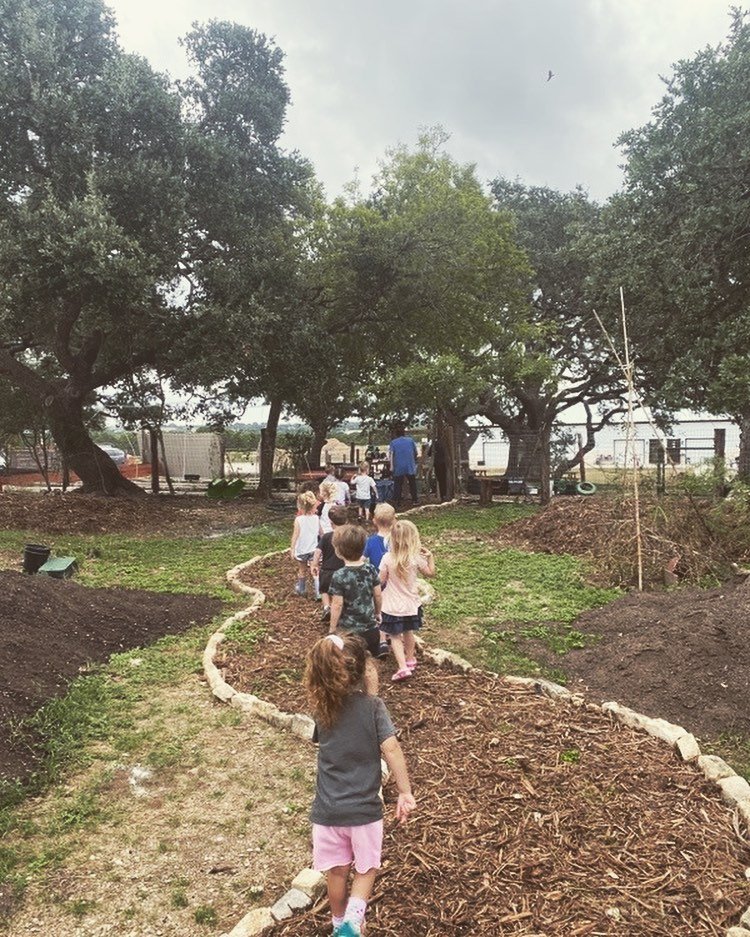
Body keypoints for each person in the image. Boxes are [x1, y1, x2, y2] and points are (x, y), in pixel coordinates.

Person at [305, 633, 416, 937]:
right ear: (362, 669)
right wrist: (405, 792)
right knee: (366, 868)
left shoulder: (322, 711)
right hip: (364, 812)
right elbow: (391, 748)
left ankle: (339, 924)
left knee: (336, 872)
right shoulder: (373, 707)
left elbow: (324, 740)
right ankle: (354, 921)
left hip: (327, 812)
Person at [379, 519, 435, 681]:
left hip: (392, 605)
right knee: (408, 632)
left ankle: (402, 667)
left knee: (395, 636)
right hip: (412, 604)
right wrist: (430, 557)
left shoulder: (387, 558)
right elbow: (430, 573)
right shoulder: (415, 558)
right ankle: (410, 659)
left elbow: (381, 580)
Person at [329, 524, 382, 693]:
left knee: (346, 663)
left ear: (338, 551)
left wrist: (332, 628)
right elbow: (378, 595)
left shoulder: (339, 576)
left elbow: (337, 604)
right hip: (370, 628)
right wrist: (378, 612)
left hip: (349, 632)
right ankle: (372, 697)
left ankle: (350, 696)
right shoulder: (371, 569)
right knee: (368, 663)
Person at [364, 503, 396, 658]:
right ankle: (398, 637)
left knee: (379, 610)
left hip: (377, 582)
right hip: (396, 582)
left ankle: (382, 640)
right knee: (394, 608)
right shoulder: (397, 541)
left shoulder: (370, 541)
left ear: (374, 520)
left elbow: (363, 560)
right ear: (394, 520)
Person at [311, 505, 348, 622]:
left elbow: (317, 552)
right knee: (341, 592)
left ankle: (327, 607)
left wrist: (314, 564)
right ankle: (342, 609)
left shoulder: (327, 537)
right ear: (346, 522)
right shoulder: (348, 537)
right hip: (343, 571)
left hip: (327, 571)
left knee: (324, 590)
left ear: (331, 523)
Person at [290, 490, 320, 597]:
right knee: (315, 570)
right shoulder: (317, 518)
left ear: (300, 507)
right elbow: (321, 533)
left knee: (302, 570)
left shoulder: (298, 520)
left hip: (302, 550)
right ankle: (318, 592)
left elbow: (295, 535)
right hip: (314, 550)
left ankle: (301, 590)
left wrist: (292, 549)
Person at [388, 423, 419, 508]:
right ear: (404, 433)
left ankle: (397, 502)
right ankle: (415, 500)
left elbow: (391, 455)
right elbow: (415, 453)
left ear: (396, 434)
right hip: (409, 465)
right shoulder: (410, 441)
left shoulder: (393, 443)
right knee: (412, 483)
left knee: (398, 484)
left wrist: (391, 467)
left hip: (399, 466)